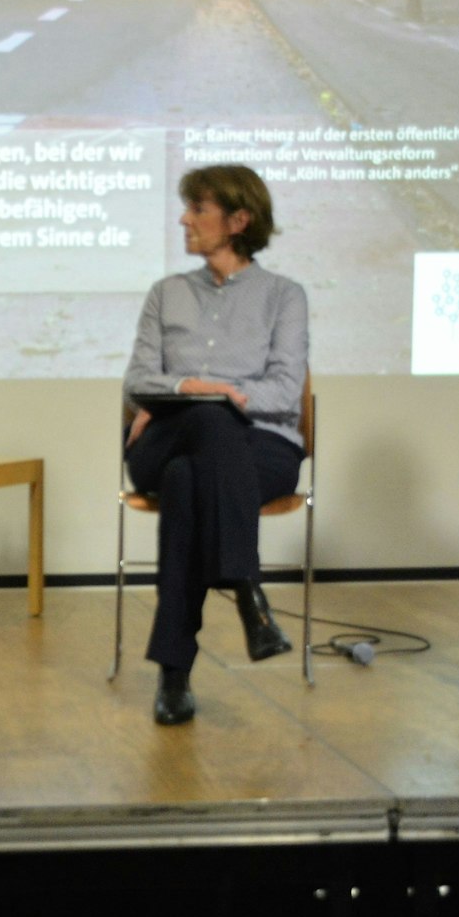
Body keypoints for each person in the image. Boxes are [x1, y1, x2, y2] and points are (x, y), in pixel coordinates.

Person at [123, 165, 309, 725]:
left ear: (238, 220)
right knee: (207, 422)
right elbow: (137, 380)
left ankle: (173, 674)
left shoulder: (284, 297)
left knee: (189, 477)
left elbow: (283, 390)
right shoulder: (166, 294)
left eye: (198, 209)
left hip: (263, 448)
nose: (184, 218)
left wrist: (221, 398)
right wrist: (199, 389)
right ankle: (247, 590)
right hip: (166, 438)